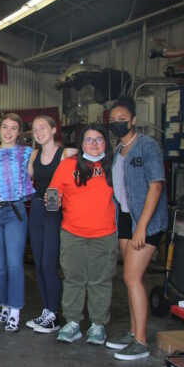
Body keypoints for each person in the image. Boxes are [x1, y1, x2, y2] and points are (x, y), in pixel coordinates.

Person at [106, 96, 167, 360]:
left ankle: (141, 343)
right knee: (133, 279)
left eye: (123, 120)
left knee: (131, 277)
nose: (118, 124)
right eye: (113, 121)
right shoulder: (119, 151)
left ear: (133, 120)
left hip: (147, 222)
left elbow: (156, 185)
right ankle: (133, 332)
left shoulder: (147, 146)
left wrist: (142, 227)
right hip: (126, 219)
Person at [49, 124, 116, 345]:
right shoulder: (68, 165)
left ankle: (98, 325)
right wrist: (53, 203)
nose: (94, 144)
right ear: (81, 144)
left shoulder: (114, 166)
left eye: (99, 139)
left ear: (106, 142)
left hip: (105, 234)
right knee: (74, 279)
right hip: (72, 233)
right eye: (89, 139)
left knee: (100, 280)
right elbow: (53, 191)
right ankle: (73, 323)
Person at [0, 113, 35, 332]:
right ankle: (3, 306)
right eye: (5, 127)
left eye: (14, 128)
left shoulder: (27, 153)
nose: (9, 132)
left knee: (14, 263)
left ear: (19, 132)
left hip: (15, 212)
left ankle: (15, 311)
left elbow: (56, 155)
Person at [26, 116, 77, 333]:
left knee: (49, 265)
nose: (39, 132)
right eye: (35, 129)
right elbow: (25, 180)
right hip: (36, 209)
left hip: (54, 210)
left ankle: (54, 315)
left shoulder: (67, 153)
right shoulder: (34, 155)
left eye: (43, 128)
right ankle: (47, 311)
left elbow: (92, 157)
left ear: (54, 130)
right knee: (38, 265)